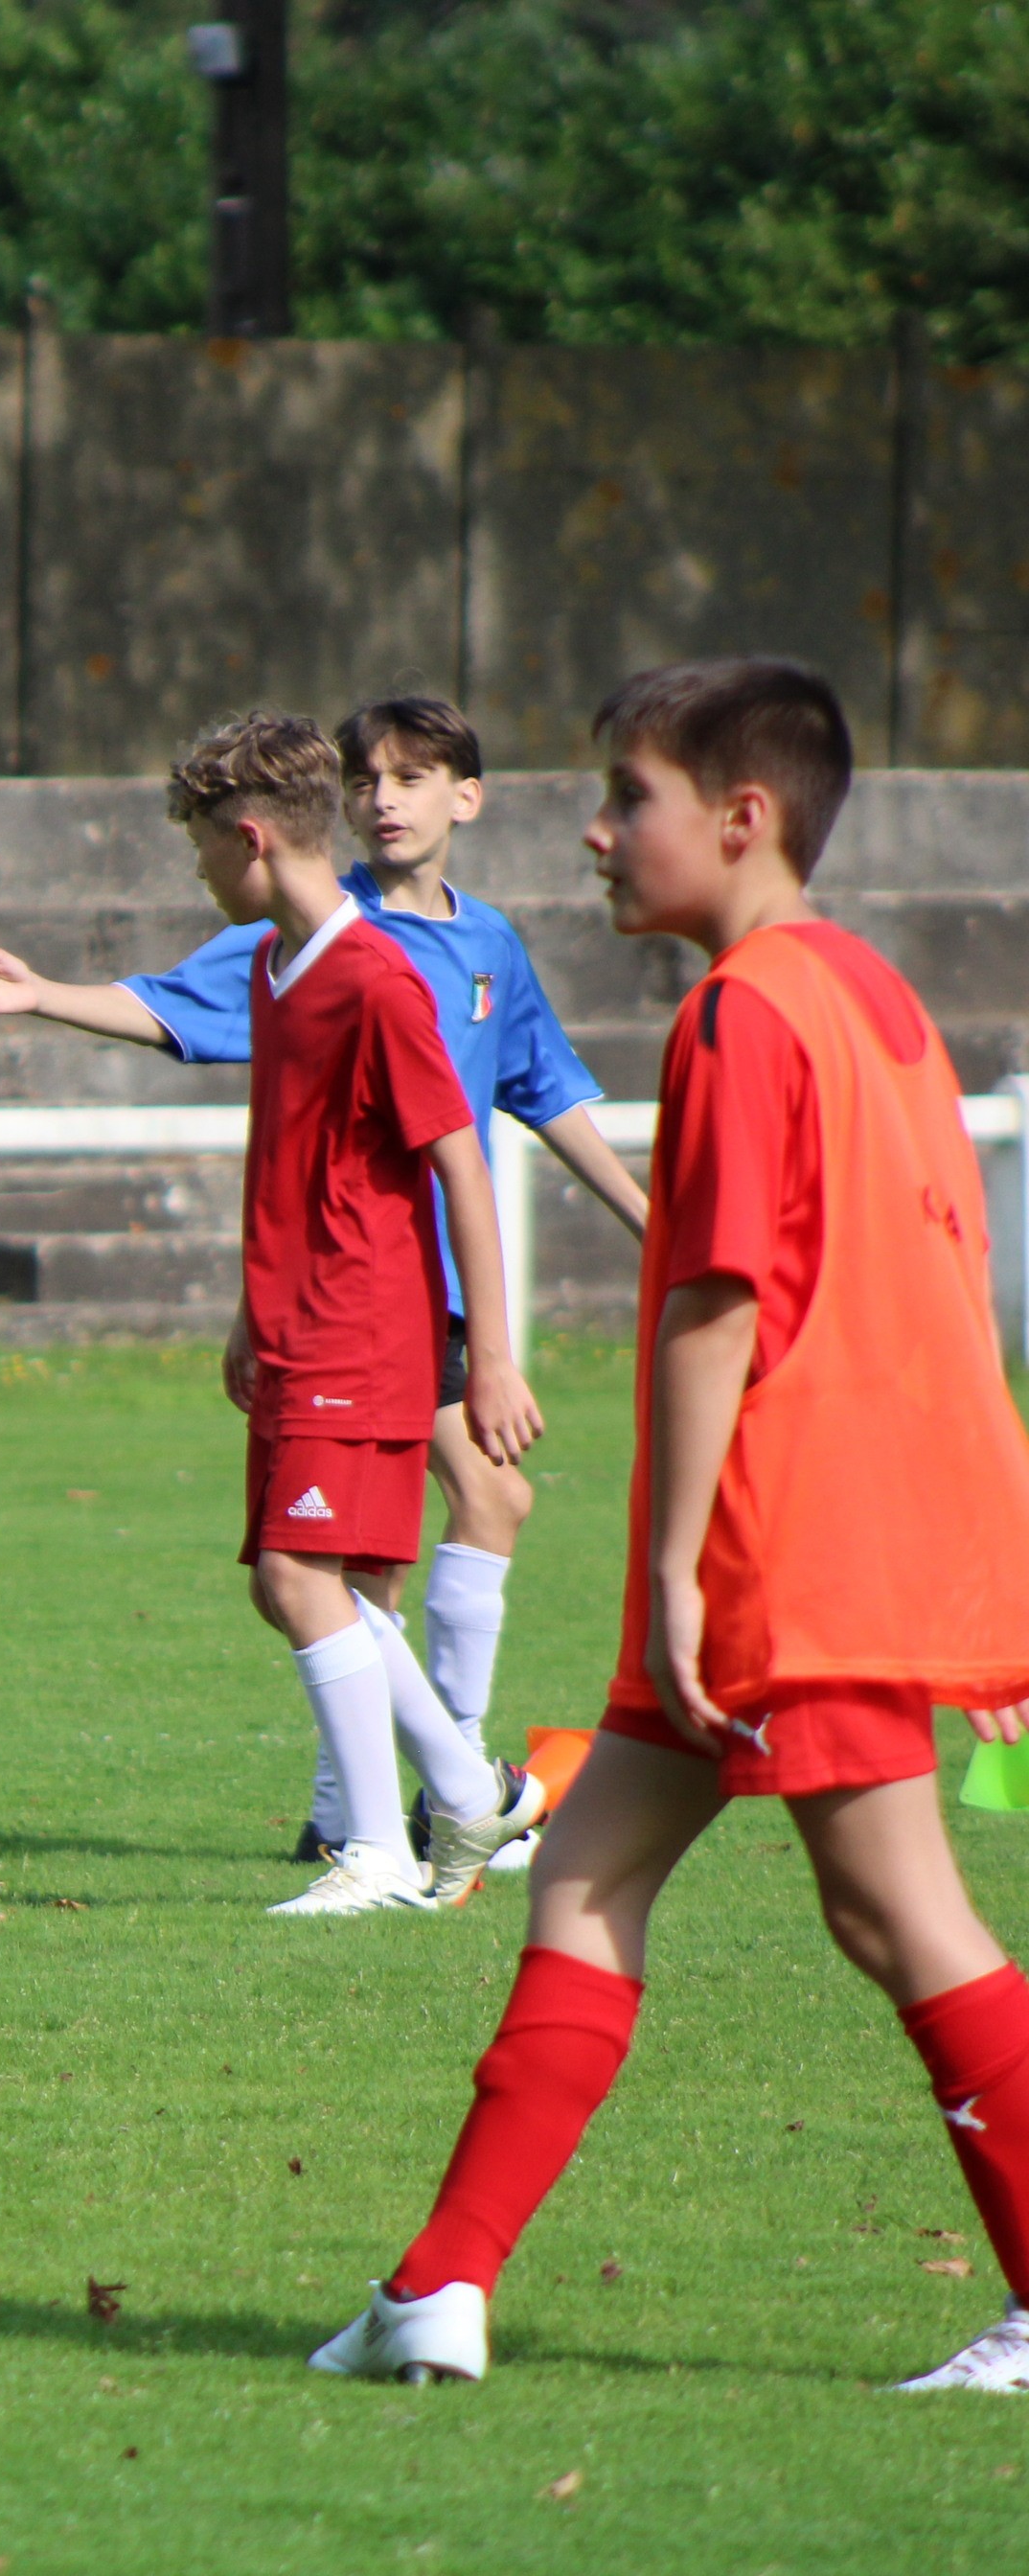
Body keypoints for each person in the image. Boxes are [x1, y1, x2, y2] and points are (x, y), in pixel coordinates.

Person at [314, 659, 1029, 2395]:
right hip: (858, 1537)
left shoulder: (742, 1011)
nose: (594, 828)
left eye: (625, 795)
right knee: (581, 1872)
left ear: (740, 816)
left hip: (789, 1555)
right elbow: (938, 1289)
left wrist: (673, 1581)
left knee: (902, 1920)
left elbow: (717, 1302)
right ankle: (439, 2285)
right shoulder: (874, 997)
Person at [0, 695, 645, 1869]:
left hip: (404, 1296)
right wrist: (46, 995)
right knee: (338, 1566)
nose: (385, 799)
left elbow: (534, 1101)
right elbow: (179, 1016)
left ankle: (425, 1803)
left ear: (466, 797)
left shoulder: (444, 958)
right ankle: (434, 1798)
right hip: (334, 1299)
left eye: (413, 778)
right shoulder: (290, 946)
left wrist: (643, 1228)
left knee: (363, 1553)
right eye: (369, 778)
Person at [145, 714, 550, 1919]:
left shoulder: (375, 977)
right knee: (315, 1586)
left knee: (298, 1574)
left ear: (253, 837)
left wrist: (492, 1361)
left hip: (364, 1328)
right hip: (292, 1326)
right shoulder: (278, 967)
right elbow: (289, 1161)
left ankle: (376, 1852)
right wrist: (244, 1315)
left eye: (204, 848)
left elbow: (459, 1164)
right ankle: (472, 1797)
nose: (201, 870)